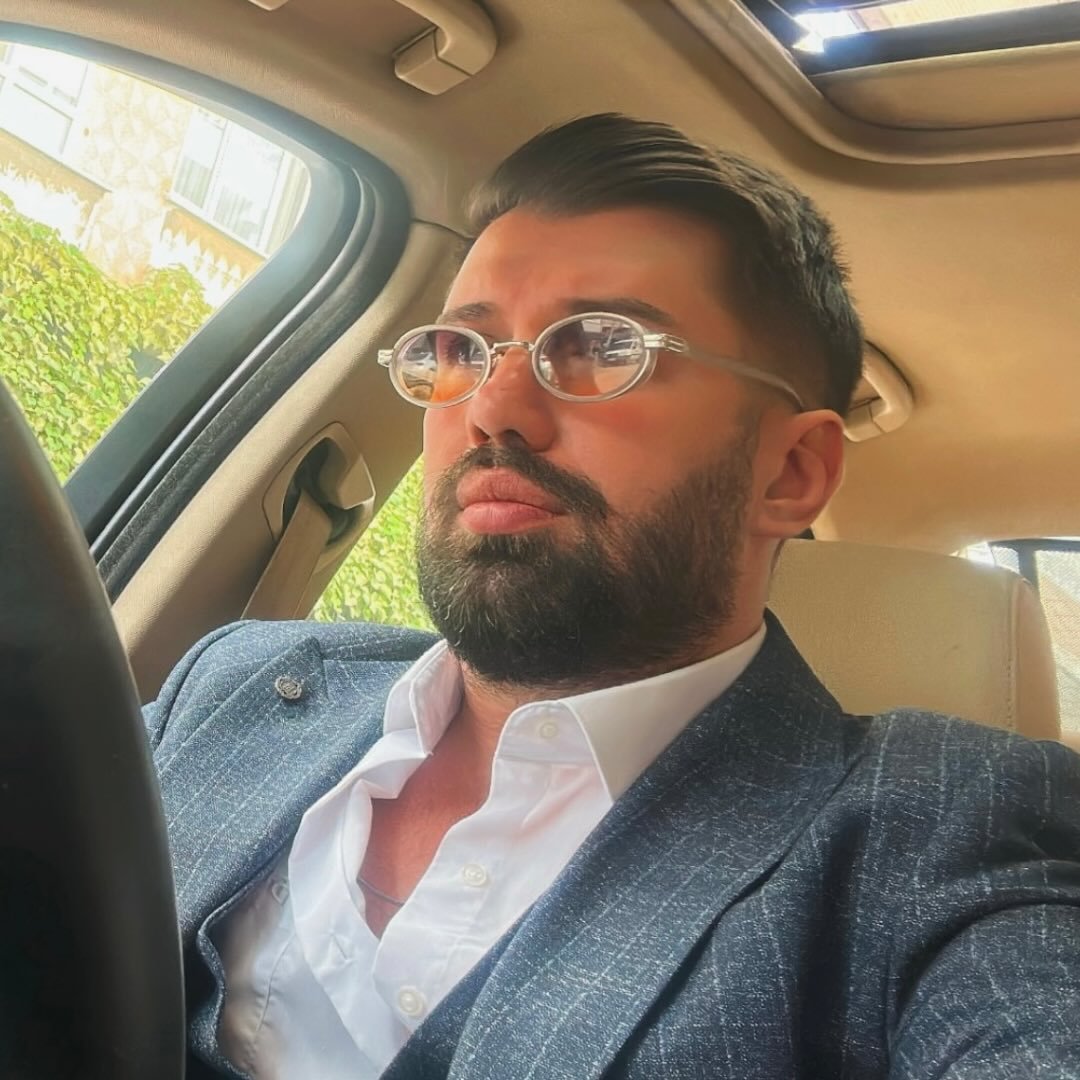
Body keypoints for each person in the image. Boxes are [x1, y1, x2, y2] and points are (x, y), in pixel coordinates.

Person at [146, 114, 1080, 1079]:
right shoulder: (237, 679)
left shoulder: (941, 832)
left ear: (791, 472)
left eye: (601, 345)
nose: (491, 409)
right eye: (462, 350)